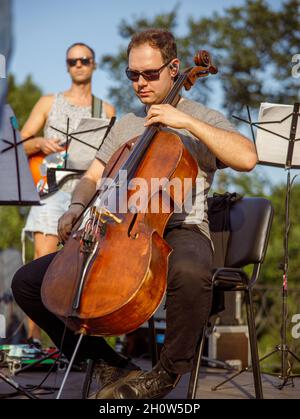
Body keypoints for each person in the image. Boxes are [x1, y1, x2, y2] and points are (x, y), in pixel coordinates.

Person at [12, 29, 257, 399]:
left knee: (191, 271)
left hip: (180, 228)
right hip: (116, 227)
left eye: (149, 74)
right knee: (29, 282)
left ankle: (167, 372)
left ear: (175, 69)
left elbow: (248, 157)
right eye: (132, 75)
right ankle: (110, 364)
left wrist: (185, 122)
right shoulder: (126, 123)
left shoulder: (201, 117)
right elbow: (93, 175)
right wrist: (77, 206)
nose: (139, 83)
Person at [20, 42, 115, 343]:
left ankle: (75, 346)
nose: (78, 65)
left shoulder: (106, 109)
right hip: (51, 186)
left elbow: (114, 153)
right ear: (67, 65)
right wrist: (39, 144)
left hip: (87, 190)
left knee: (83, 269)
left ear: (93, 65)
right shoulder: (49, 102)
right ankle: (34, 343)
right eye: (72, 61)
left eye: (84, 60)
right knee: (40, 263)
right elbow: (18, 144)